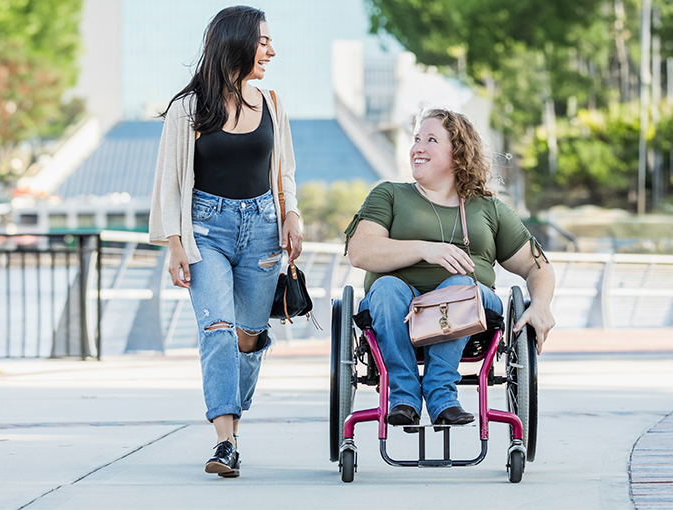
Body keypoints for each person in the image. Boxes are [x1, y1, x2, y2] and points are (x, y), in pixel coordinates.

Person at [149, 6, 302, 477]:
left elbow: (285, 170)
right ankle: (224, 441)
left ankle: (233, 418)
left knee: (248, 337)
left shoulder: (271, 102)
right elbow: (170, 183)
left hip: (263, 229)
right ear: (236, 42)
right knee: (216, 329)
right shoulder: (189, 109)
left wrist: (291, 213)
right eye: (263, 42)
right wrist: (174, 243)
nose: (271, 51)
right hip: (205, 230)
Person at [345, 108, 555, 431]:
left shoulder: (490, 209)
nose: (418, 147)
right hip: (398, 313)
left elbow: (537, 266)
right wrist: (426, 249)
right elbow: (359, 252)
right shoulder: (389, 195)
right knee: (385, 289)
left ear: (458, 155)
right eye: (416, 139)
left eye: (431, 140)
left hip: (472, 320)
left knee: (459, 284)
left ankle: (442, 395)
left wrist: (540, 305)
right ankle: (403, 396)